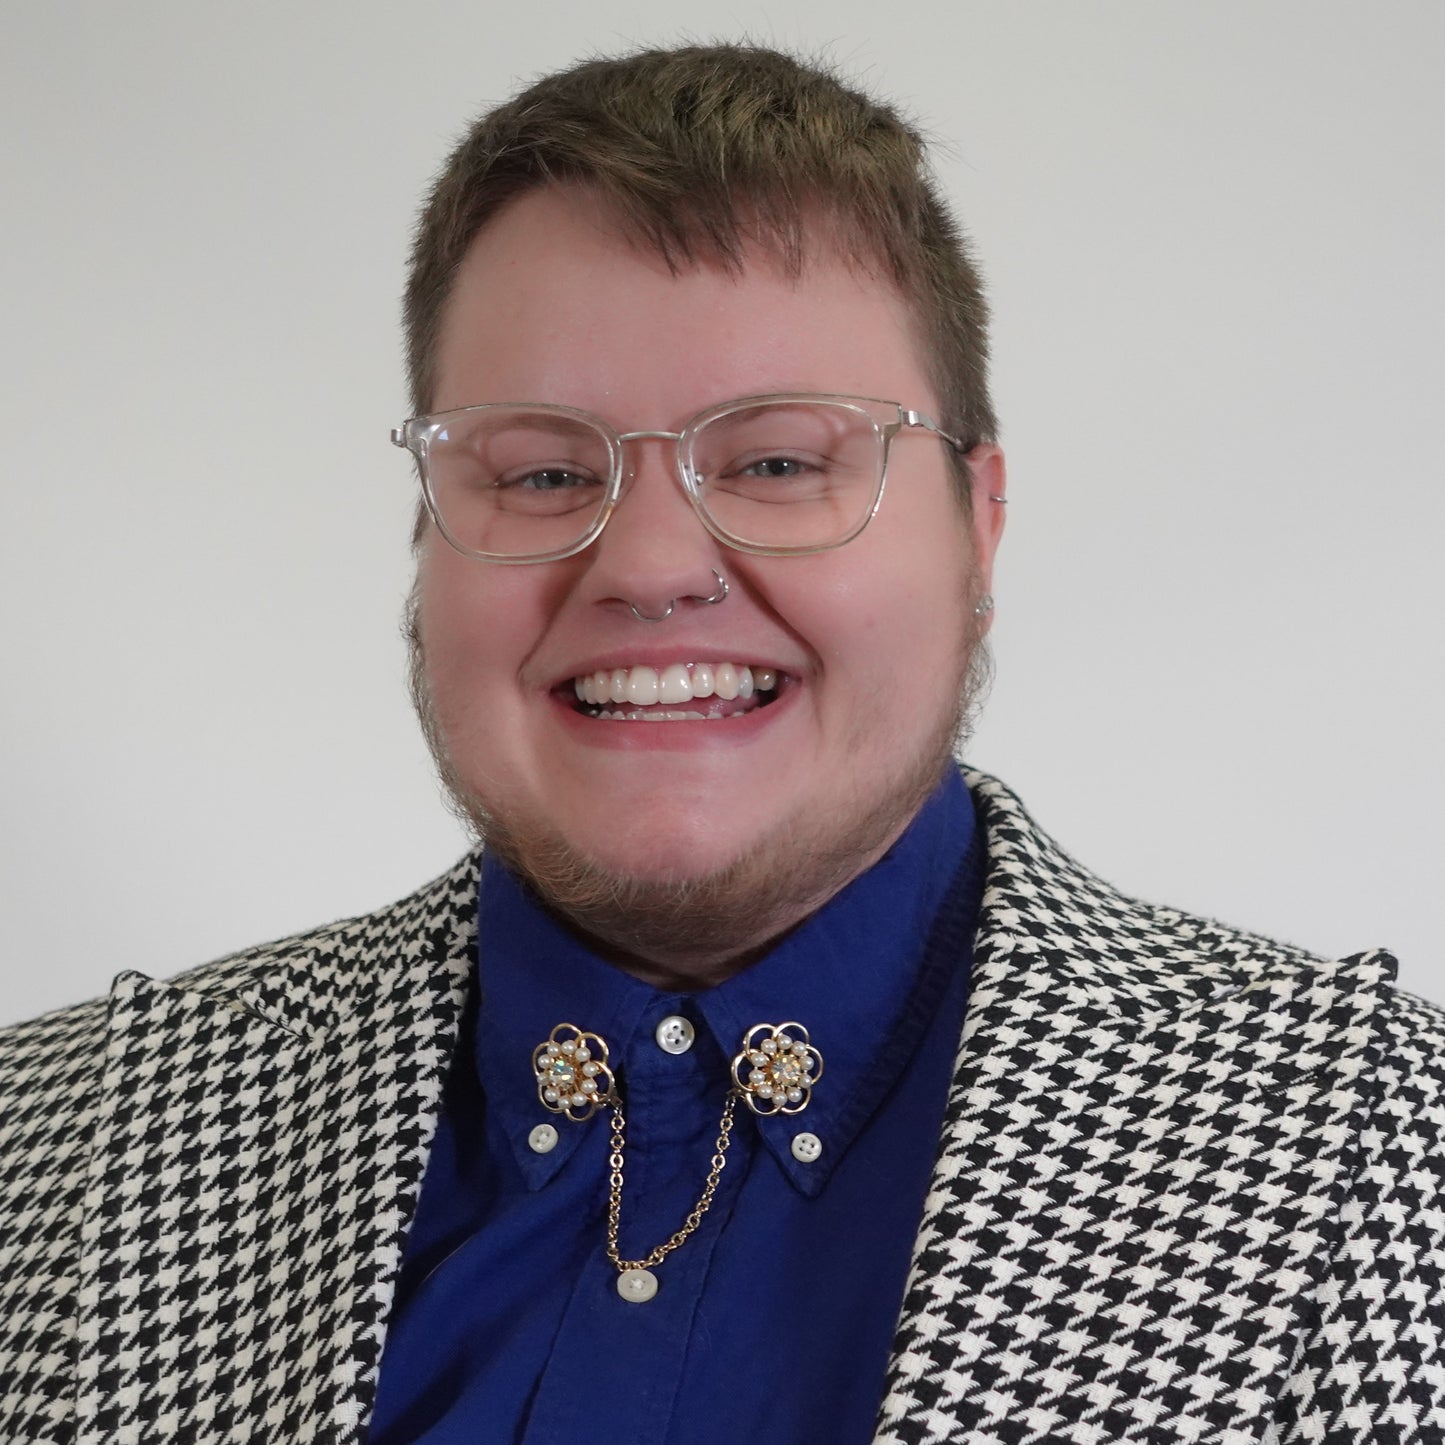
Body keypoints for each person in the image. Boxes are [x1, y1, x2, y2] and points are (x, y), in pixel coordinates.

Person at [0, 41, 1440, 1445]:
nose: (645, 563)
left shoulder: (1388, 1165)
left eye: (773, 461)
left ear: (978, 526)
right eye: (542, 470)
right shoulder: (48, 1153)